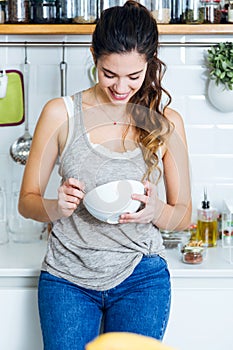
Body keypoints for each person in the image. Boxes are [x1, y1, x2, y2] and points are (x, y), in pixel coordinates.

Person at [18, 1, 192, 349]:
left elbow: (184, 214)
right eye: (109, 73)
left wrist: (156, 211)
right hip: (67, 278)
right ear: (93, 55)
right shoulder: (60, 113)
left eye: (134, 76)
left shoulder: (166, 121)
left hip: (141, 279)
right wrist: (56, 206)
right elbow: (27, 202)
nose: (121, 87)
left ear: (150, 62)